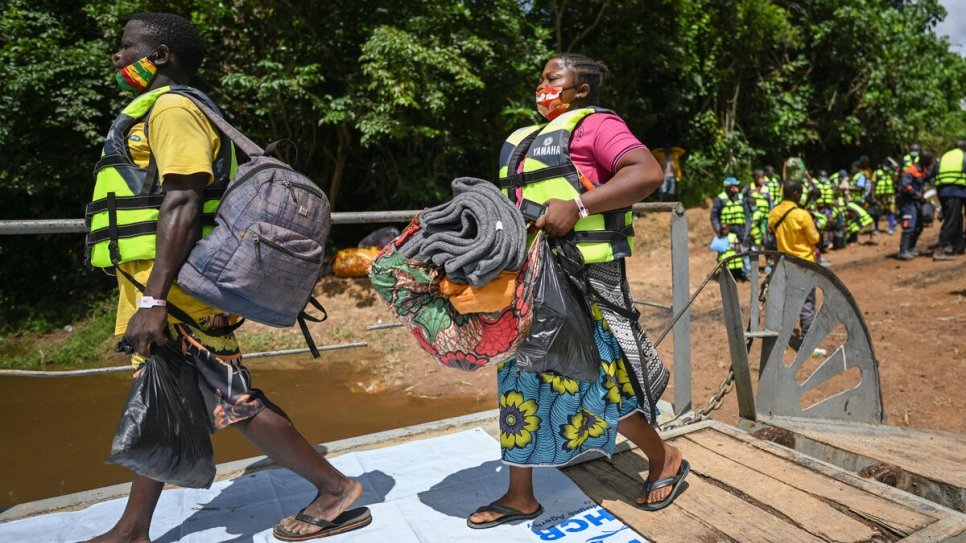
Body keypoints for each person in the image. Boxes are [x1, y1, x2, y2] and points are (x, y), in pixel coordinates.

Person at [84, 13, 369, 543]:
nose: (118, 57)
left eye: (127, 47)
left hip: (176, 290)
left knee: (231, 400)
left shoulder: (172, 109)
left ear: (161, 55)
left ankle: (337, 491)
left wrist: (155, 300)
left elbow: (185, 199)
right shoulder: (153, 110)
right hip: (155, 287)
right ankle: (132, 529)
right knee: (162, 390)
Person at [469, 53, 688, 528]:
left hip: (585, 278)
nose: (542, 86)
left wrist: (580, 206)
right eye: (540, 79)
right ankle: (520, 495)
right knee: (518, 375)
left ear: (581, 88)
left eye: (553, 78)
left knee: (597, 377)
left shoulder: (597, 127)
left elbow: (646, 173)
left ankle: (664, 456)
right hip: (529, 280)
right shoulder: (523, 140)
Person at [769, 180, 821, 350]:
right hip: (805, 263)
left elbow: (774, 231)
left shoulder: (774, 213)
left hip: (785, 263)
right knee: (807, 302)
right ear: (797, 194)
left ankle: (782, 338)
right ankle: (806, 341)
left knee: (788, 300)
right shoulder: (802, 215)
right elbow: (814, 239)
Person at [929, 140, 966, 260]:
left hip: (942, 192)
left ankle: (959, 246)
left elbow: (933, 173)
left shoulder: (944, 157)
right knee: (952, 220)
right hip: (957, 191)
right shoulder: (963, 157)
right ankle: (940, 250)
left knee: (956, 218)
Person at [897, 150, 935, 260]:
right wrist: (917, 195)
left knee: (919, 227)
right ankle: (903, 251)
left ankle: (911, 248)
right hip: (909, 203)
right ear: (924, 160)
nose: (930, 163)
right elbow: (905, 186)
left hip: (918, 203)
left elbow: (927, 180)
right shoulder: (912, 170)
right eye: (929, 161)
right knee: (909, 226)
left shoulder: (923, 170)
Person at [872, 162, 897, 235]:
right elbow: (873, 184)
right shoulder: (876, 172)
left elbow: (896, 180)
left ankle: (891, 228)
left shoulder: (891, 172)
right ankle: (876, 229)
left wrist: (895, 170)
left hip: (890, 195)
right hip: (879, 195)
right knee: (877, 212)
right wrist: (873, 197)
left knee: (891, 211)